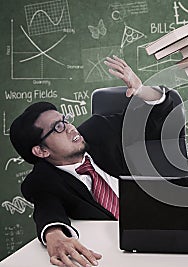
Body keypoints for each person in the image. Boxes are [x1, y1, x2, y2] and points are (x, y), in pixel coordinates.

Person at [9, 56, 174, 267]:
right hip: (117, 252)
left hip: (165, 220)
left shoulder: (99, 130)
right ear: (41, 151)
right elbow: (47, 209)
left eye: (65, 120)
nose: (70, 128)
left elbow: (158, 116)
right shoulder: (43, 180)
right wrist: (54, 234)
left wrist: (141, 89)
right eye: (58, 128)